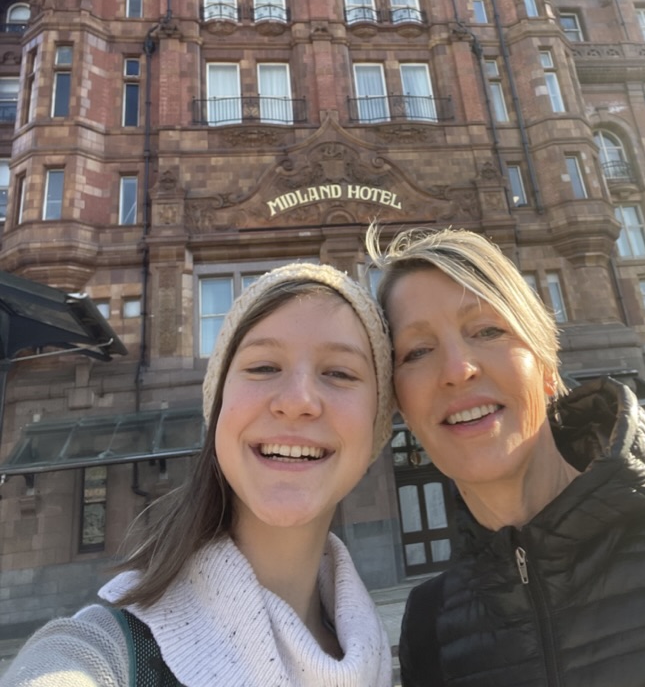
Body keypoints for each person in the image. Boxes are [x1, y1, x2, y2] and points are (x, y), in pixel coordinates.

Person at [365, 224, 645, 687]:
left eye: (488, 330)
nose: (458, 369)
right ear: (401, 406)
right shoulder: (429, 631)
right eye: (416, 351)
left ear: (546, 368)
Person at [1, 263, 395, 687]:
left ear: (377, 422)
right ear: (219, 403)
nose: (298, 400)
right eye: (263, 367)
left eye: (339, 372)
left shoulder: (380, 649)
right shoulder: (101, 653)